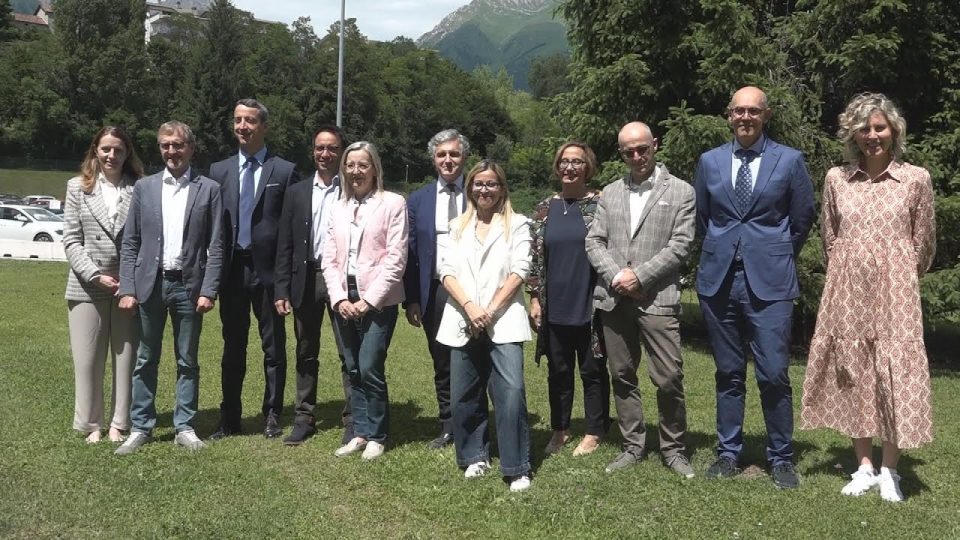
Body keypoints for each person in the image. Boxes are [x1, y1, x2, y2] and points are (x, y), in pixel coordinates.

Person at [801, 93, 936, 503]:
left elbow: (924, 241)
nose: (873, 135)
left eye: (880, 127)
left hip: (896, 290)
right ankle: (863, 466)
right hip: (847, 288)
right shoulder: (836, 179)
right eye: (864, 128)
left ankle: (891, 469)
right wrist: (851, 266)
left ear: (893, 130)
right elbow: (830, 237)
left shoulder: (916, 179)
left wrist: (897, 269)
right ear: (853, 134)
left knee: (894, 369)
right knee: (854, 367)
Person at [694, 86, 816, 488]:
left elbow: (802, 218)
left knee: (774, 372)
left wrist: (774, 251)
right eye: (738, 111)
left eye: (753, 111)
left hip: (771, 281)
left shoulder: (790, 160)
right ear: (728, 115)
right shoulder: (710, 161)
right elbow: (703, 218)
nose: (745, 117)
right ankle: (728, 453)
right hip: (720, 280)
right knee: (728, 372)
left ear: (766, 115)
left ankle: (781, 457)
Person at [584, 122, 695, 478]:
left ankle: (673, 448)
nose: (636, 156)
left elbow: (680, 245)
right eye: (628, 151)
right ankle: (633, 445)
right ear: (621, 154)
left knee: (668, 377)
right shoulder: (611, 193)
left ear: (655, 145)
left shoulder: (681, 192)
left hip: (657, 298)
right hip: (614, 299)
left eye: (642, 149)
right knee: (622, 374)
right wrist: (619, 277)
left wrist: (640, 276)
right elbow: (594, 241)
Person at [114, 121, 223, 455]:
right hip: (151, 284)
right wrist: (128, 287)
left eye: (178, 145)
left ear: (191, 147)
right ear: (159, 148)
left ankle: (185, 426)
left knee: (187, 360)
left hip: (188, 287)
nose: (172, 152)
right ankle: (141, 427)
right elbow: (131, 242)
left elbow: (217, 245)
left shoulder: (209, 189)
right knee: (146, 358)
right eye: (165, 145)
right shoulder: (145, 188)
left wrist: (209, 289)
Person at [435, 160, 533, 492]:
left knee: (511, 392)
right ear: (470, 188)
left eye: (491, 184)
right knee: (465, 393)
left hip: (502, 319)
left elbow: (520, 271)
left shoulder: (518, 225)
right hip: (463, 318)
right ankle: (474, 455)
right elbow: (445, 272)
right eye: (478, 184)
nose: (484, 190)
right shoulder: (455, 226)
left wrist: (488, 311)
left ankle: (516, 465)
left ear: (502, 188)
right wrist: (470, 307)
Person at [209, 98, 301, 440]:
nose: (242, 127)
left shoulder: (285, 171)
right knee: (232, 347)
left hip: (269, 274)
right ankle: (229, 417)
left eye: (249, 121)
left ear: (263, 125)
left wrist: (285, 282)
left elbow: (292, 229)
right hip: (233, 271)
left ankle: (272, 414)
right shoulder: (218, 171)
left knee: (273, 349)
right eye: (237, 120)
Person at [322, 142, 407, 461]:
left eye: (362, 165)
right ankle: (359, 431)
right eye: (350, 165)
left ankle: (377, 434)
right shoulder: (337, 207)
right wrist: (339, 297)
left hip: (379, 302)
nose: (355, 171)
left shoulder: (393, 203)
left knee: (370, 364)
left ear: (375, 169)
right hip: (344, 299)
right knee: (352, 366)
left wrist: (368, 302)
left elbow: (396, 260)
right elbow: (328, 258)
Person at [527, 141, 610, 457]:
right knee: (558, 372)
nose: (570, 167)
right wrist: (535, 299)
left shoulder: (601, 205)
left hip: (591, 304)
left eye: (577, 161)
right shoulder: (545, 208)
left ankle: (593, 430)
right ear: (557, 166)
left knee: (593, 370)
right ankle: (560, 430)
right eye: (564, 161)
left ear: (587, 166)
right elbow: (535, 257)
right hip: (554, 306)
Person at [274, 125, 355, 446]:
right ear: (313, 151)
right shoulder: (296, 192)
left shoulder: (352, 189)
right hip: (305, 280)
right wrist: (281, 289)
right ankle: (304, 417)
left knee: (348, 352)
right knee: (306, 351)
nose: (325, 154)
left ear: (341, 152)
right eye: (320, 148)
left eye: (332, 148)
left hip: (342, 281)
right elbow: (285, 244)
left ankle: (353, 418)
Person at [63, 126, 143, 444]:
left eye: (119, 150)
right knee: (87, 360)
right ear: (95, 150)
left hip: (128, 286)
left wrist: (130, 279)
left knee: (126, 359)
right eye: (106, 149)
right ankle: (90, 423)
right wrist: (95, 274)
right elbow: (71, 240)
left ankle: (119, 423)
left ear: (128, 153)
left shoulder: (140, 188)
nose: (112, 155)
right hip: (86, 285)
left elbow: (144, 239)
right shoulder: (76, 187)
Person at [403, 129, 470, 449]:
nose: (448, 160)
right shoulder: (417, 200)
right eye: (442, 155)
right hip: (435, 291)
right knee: (442, 359)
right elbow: (411, 253)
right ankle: (448, 424)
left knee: (473, 358)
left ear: (464, 158)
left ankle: (474, 421)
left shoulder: (481, 190)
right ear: (433, 159)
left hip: (474, 291)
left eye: (454, 154)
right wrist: (412, 298)